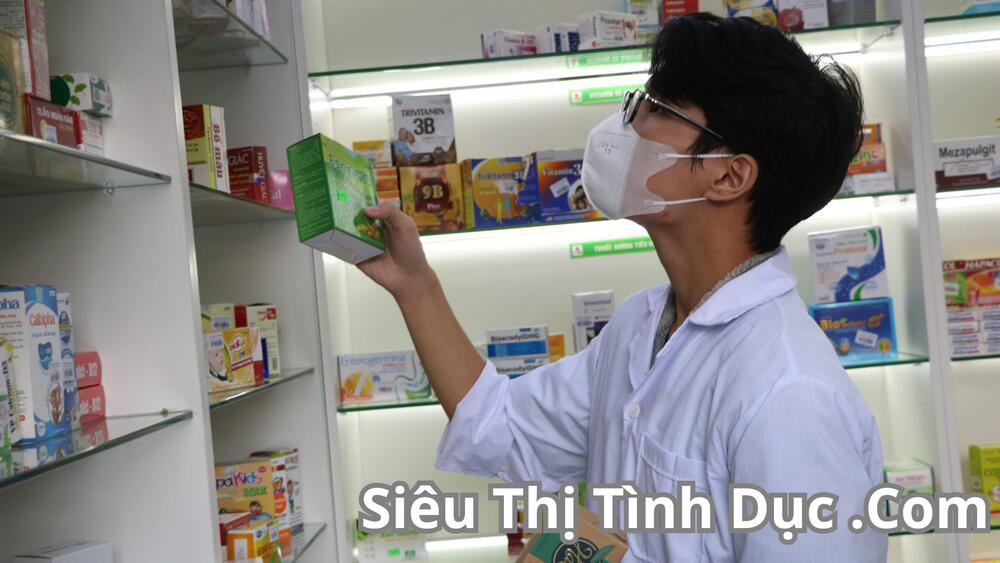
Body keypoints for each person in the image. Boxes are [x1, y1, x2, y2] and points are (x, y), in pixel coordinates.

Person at [358, 13, 886, 562]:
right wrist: (414, 285)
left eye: (656, 110)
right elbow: (502, 429)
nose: (626, 124)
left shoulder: (790, 393)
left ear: (729, 176)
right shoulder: (642, 326)